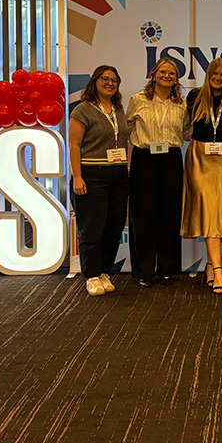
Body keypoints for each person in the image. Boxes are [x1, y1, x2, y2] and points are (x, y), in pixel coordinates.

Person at [69, 65, 131, 297]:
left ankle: (104, 270)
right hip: (92, 173)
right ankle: (92, 275)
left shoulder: (118, 109)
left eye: (114, 80)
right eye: (105, 79)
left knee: (113, 227)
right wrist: (77, 176)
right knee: (91, 228)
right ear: (94, 82)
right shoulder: (83, 110)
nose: (110, 83)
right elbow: (74, 145)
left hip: (117, 174)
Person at [125, 58, 188, 287]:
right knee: (143, 215)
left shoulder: (180, 103)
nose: (167, 76)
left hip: (171, 158)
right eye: (163, 72)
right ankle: (144, 270)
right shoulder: (137, 100)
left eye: (172, 73)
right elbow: (127, 128)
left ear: (176, 78)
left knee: (170, 214)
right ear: (154, 74)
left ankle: (167, 269)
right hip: (145, 159)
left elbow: (187, 130)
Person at [182, 58, 222, 294]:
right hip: (199, 157)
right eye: (214, 74)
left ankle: (210, 265)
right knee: (207, 207)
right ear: (209, 75)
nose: (218, 78)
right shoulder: (195, 96)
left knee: (218, 209)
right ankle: (218, 268)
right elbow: (186, 126)